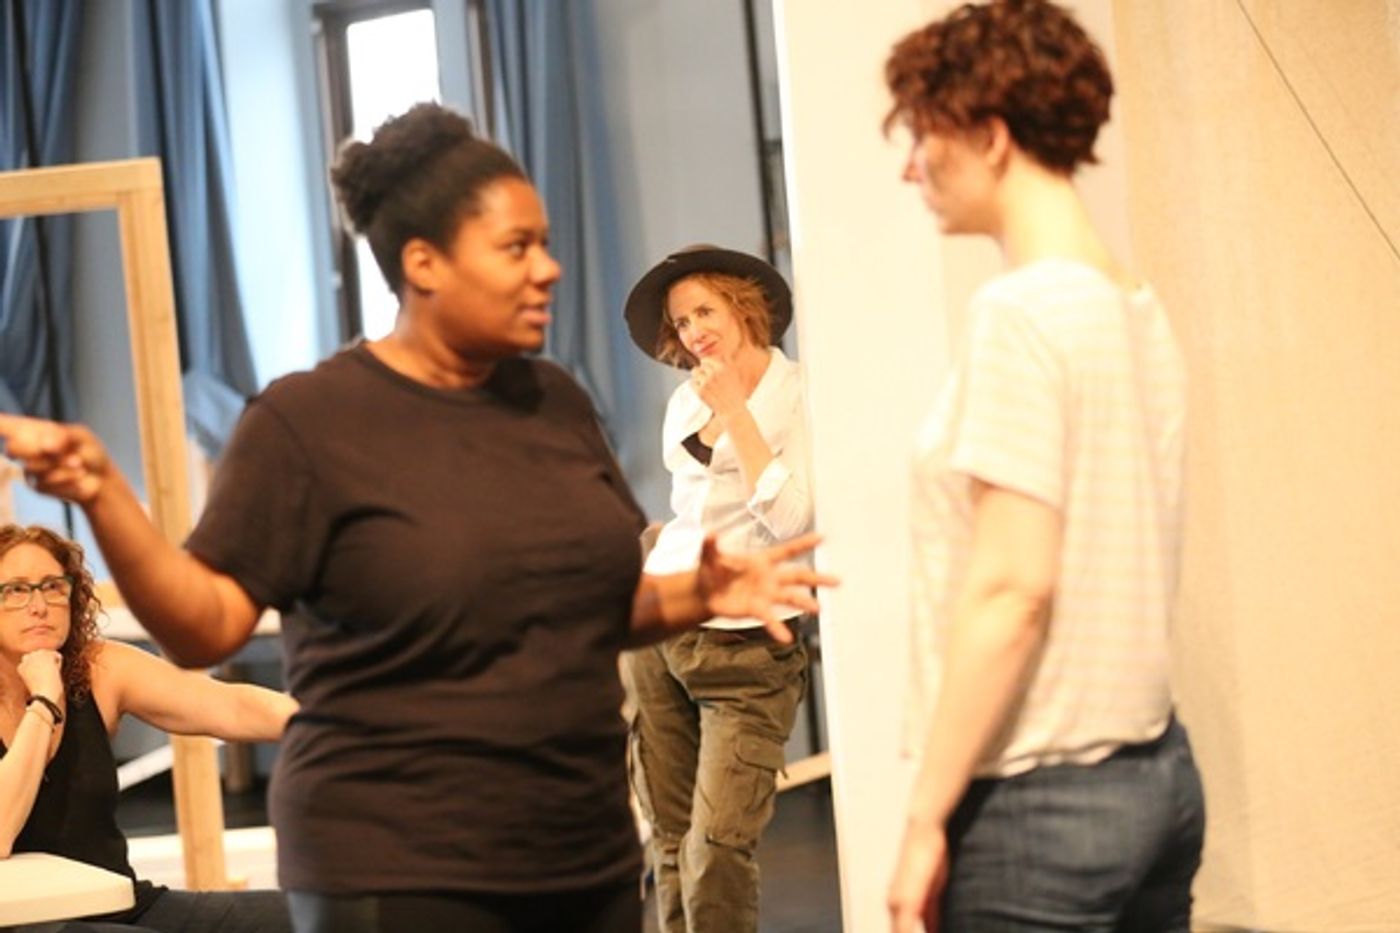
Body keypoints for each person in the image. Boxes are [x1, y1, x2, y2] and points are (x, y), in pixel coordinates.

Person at [0, 103, 831, 933]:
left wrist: (695, 592)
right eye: (516, 247)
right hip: (399, 868)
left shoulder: (556, 403)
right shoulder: (309, 422)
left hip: (578, 854)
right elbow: (202, 626)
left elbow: (582, 606)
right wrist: (105, 495)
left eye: (543, 244)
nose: (548, 269)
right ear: (424, 262)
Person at [881, 2, 1206, 930]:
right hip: (1156, 771)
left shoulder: (1019, 314)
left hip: (1039, 804)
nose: (910, 167)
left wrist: (924, 816)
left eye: (924, 136)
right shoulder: (1132, 303)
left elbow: (1012, 590)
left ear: (989, 137)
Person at [620, 247, 813, 932]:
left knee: (717, 850)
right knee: (671, 839)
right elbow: (687, 504)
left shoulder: (799, 393)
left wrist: (735, 409)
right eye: (682, 321)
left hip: (748, 647)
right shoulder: (684, 399)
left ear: (741, 304)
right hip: (663, 626)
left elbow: (793, 520)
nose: (694, 330)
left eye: (705, 310)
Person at [0, 523, 295, 932]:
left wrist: (330, 723)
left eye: (52, 586)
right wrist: (45, 699)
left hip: (122, 905)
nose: (39, 605)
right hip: (25, 922)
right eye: (15, 590)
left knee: (309, 916)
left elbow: (230, 706)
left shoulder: (100, 668)